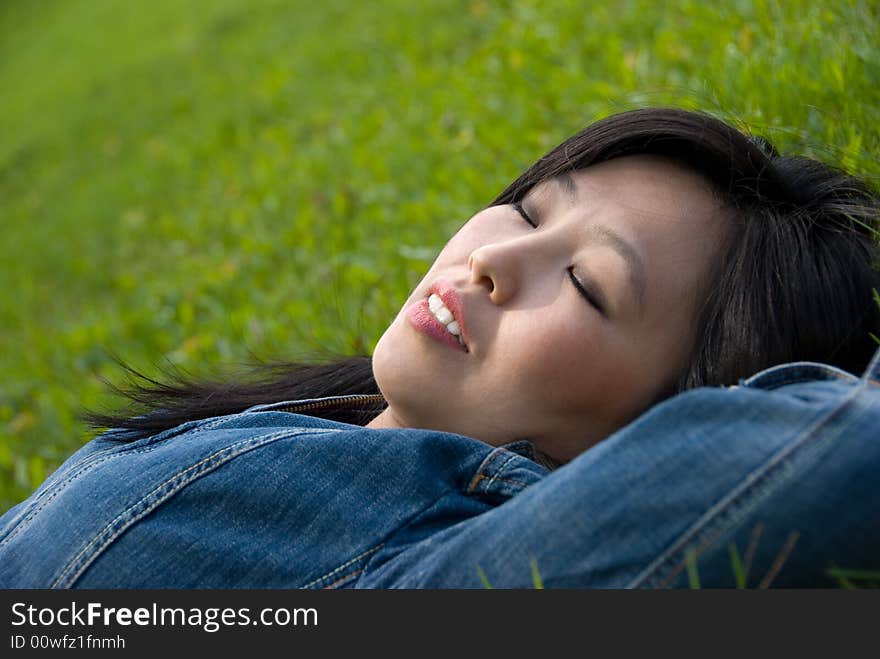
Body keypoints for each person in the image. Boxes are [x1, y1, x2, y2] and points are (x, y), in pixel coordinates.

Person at [0, 107, 877, 588]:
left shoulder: (438, 575)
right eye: (534, 210)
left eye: (585, 284)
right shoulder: (317, 432)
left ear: (664, 435)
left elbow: (845, 452)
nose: (492, 257)